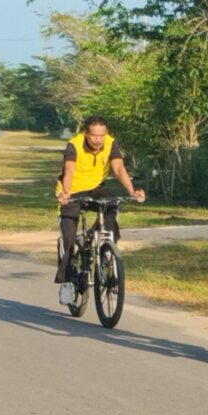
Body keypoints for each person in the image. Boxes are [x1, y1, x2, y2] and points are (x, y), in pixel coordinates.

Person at [55, 116, 145, 304]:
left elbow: (118, 168)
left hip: (95, 187)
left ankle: (101, 239)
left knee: (112, 201)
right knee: (68, 237)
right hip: (71, 190)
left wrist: (132, 191)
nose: (98, 140)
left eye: (101, 136)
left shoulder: (110, 143)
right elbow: (69, 170)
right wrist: (65, 193)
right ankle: (66, 283)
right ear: (86, 133)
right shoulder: (74, 145)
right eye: (94, 136)